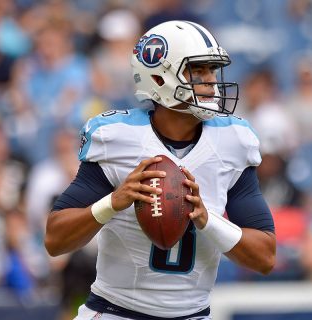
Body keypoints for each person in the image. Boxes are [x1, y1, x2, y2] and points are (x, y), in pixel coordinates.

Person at [44, 20, 276, 320]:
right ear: (158, 76)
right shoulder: (117, 137)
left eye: (212, 71)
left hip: (194, 315)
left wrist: (207, 220)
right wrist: (112, 202)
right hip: (115, 313)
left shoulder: (233, 140)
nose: (211, 82)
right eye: (198, 71)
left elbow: (266, 257)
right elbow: (55, 241)